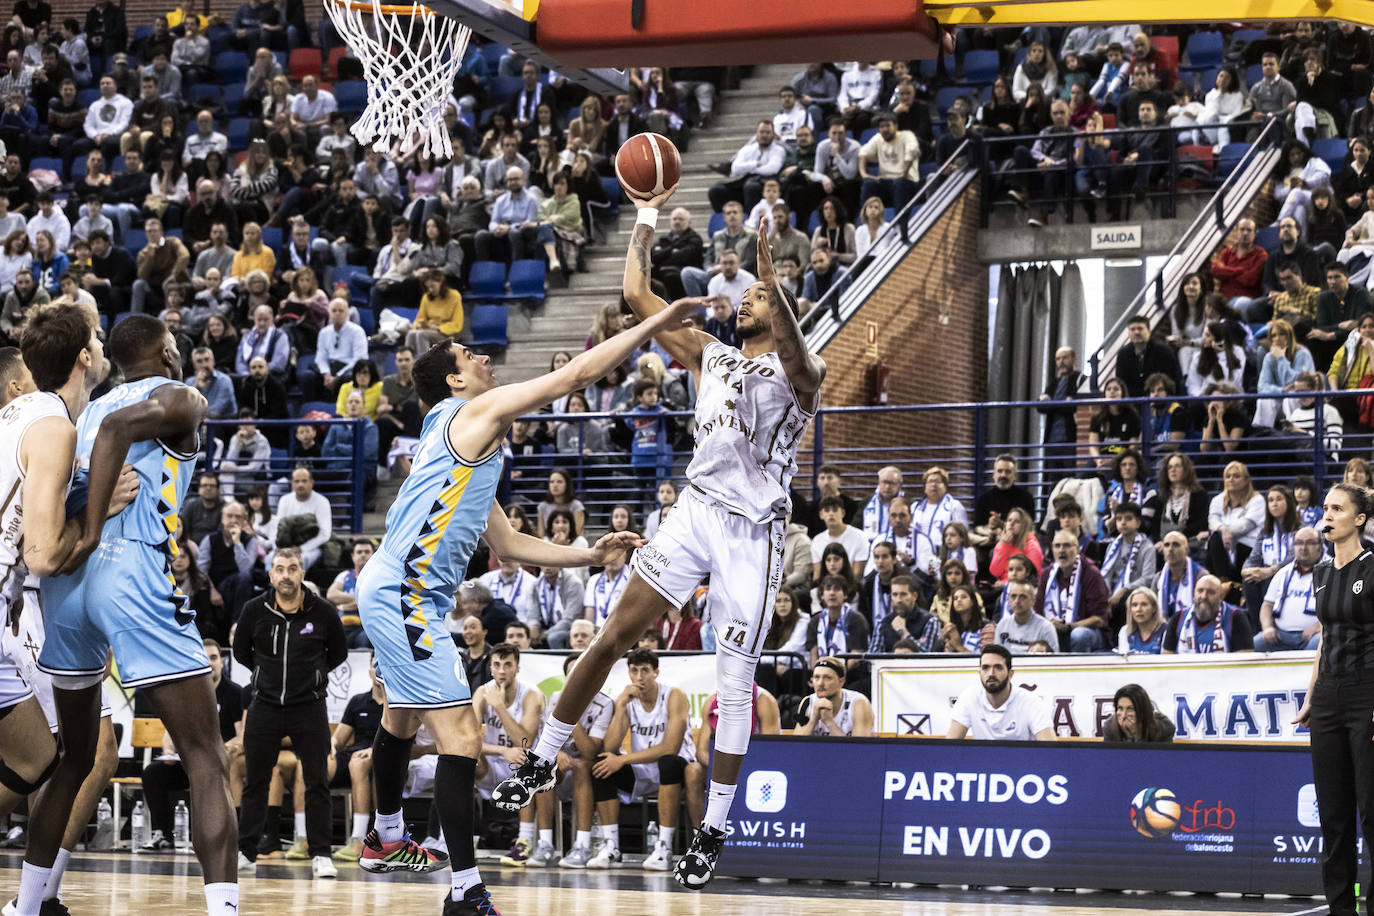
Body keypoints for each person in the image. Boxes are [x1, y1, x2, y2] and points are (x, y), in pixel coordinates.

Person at [495, 198, 824, 890]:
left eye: (758, 294)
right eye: (746, 293)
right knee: (612, 633)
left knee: (735, 682)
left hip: (753, 534)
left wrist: (779, 288)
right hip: (696, 509)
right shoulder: (711, 354)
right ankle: (538, 760)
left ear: (782, 305)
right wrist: (644, 214)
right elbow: (636, 296)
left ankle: (714, 828)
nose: (744, 300)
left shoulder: (796, 373)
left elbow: (806, 363)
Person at [352, 291, 690, 915]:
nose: (484, 357)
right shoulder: (471, 415)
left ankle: (385, 836)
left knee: (401, 716)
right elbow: (578, 374)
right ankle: (463, 891)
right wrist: (657, 322)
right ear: (456, 380)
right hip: (405, 593)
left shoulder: (452, 437)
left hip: (397, 590)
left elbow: (507, 542)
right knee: (461, 743)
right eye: (469, 354)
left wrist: (591, 556)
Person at [25, 313, 238, 916]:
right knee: (205, 754)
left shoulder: (80, 412)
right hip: (129, 569)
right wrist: (94, 530)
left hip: (67, 589)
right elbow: (124, 426)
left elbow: (68, 477)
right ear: (170, 351)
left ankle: (30, 902)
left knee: (74, 756)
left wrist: (79, 530)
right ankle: (223, 909)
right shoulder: (180, 395)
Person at [233, 548, 346, 878]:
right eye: (279, 569)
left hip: (309, 707)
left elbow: (337, 652)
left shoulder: (323, 612)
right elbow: (242, 652)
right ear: (271, 575)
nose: (285, 575)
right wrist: (262, 675)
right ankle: (246, 850)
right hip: (264, 706)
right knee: (255, 780)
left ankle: (321, 854)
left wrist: (315, 675)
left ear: (301, 573)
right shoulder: (254, 610)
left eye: (292, 568)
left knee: (316, 782)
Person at [1293, 483, 1374, 914]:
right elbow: (1325, 640)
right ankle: (1341, 909)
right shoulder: (1321, 574)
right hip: (1327, 699)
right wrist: (1311, 697)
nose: (1327, 515)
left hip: (1367, 695)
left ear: (1358, 519)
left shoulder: (1373, 566)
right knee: (1334, 817)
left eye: (1337, 508)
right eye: (1325, 507)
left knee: (1371, 813)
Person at [471, 644, 549, 868]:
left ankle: (524, 841)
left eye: (508, 665)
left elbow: (525, 742)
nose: (502, 670)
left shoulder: (531, 694)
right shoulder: (482, 693)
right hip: (495, 762)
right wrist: (502, 750)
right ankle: (464, 837)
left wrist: (500, 707)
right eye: (497, 665)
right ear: (491, 669)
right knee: (464, 761)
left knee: (526, 758)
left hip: (522, 765)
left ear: (517, 668)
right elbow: (472, 741)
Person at [945, 645, 1055, 740]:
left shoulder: (1031, 703)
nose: (991, 673)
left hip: (1022, 763)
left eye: (998, 667)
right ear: (979, 672)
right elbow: (949, 746)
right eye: (985, 668)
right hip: (983, 763)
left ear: (1010, 674)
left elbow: (1050, 750)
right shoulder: (969, 697)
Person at [1162, 574, 1255, 653]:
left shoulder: (1235, 617)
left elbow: (1245, 661)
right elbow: (1166, 660)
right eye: (1200, 590)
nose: (1204, 596)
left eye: (1210, 592)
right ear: (1194, 593)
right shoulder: (1178, 618)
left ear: (1221, 596)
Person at [793, 656, 873, 738]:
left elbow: (859, 748)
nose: (820, 683)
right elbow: (796, 745)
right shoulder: (807, 702)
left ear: (841, 682)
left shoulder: (859, 703)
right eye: (817, 677)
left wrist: (829, 722)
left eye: (827, 678)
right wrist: (813, 719)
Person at [327, 539, 375, 649]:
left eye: (367, 552)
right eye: (359, 552)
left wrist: (343, 606)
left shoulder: (378, 578)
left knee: (365, 642)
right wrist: (360, 600)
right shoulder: (345, 576)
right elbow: (331, 594)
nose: (363, 555)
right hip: (344, 626)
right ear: (353, 556)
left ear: (373, 555)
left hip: (367, 628)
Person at [995, 579, 1059, 653]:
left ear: (1033, 600)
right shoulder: (1002, 625)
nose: (1017, 601)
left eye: (1022, 597)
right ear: (1008, 599)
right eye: (1013, 596)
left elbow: (1054, 660)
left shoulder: (1046, 627)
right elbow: (996, 656)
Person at [1102, 683, 1175, 742]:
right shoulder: (1110, 728)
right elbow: (1111, 758)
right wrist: (1129, 737)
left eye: (1130, 709)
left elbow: (1163, 758)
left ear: (1143, 710)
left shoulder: (1164, 727)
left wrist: (1137, 736)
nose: (1123, 715)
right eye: (1120, 708)